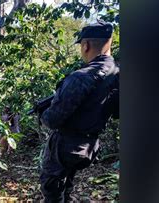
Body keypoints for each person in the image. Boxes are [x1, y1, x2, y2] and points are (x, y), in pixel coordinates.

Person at [38, 20, 120, 202]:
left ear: (86, 45)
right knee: (66, 185)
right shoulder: (117, 74)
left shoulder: (80, 77)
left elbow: (52, 119)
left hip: (66, 146)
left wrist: (43, 114)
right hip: (89, 146)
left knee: (52, 189)